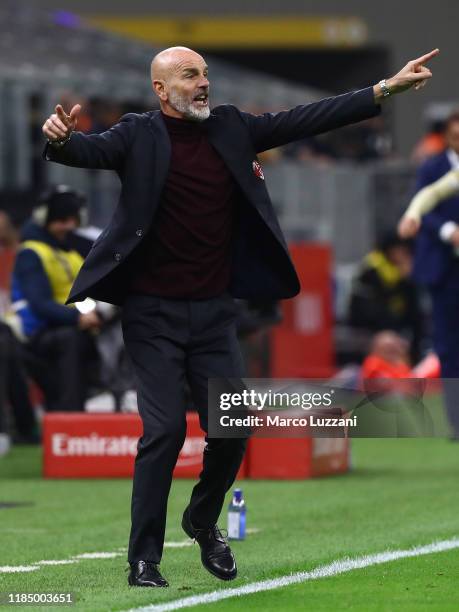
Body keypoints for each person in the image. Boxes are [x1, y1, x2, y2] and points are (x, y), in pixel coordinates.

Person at [41, 45, 438, 587]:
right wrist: (60, 140)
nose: (203, 82)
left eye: (205, 73)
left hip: (212, 314)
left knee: (232, 429)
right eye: (189, 75)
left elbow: (304, 118)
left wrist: (384, 89)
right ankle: (144, 560)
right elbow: (83, 150)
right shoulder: (138, 134)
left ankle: (202, 518)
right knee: (161, 433)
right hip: (151, 315)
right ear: (161, 91)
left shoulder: (231, 128)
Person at [11, 186, 101, 411]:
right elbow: (40, 304)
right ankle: (70, 419)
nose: (68, 226)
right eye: (62, 220)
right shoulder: (31, 253)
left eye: (72, 219)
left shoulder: (70, 251)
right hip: (40, 332)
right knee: (70, 340)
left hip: (76, 324)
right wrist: (79, 319)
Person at [397, 111, 459, 439]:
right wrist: (414, 215)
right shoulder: (436, 168)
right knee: (448, 345)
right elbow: (428, 196)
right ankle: (457, 423)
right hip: (445, 270)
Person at [348, 233, 422, 363]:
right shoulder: (372, 269)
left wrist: (410, 278)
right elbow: (367, 309)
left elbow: (413, 311)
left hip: (399, 330)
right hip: (371, 331)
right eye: (399, 250)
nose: (401, 255)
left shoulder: (406, 272)